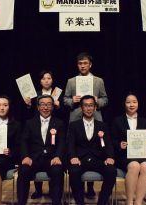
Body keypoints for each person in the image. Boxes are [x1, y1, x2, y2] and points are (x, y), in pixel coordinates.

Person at [64, 52, 108, 196]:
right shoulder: (71, 81)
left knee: (94, 149)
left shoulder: (98, 81)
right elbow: (65, 99)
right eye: (80, 63)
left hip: (95, 117)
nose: (82, 66)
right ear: (77, 65)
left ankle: (90, 187)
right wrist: (73, 100)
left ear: (90, 64)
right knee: (79, 148)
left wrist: (97, 101)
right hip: (76, 118)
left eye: (85, 63)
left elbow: (105, 99)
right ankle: (78, 186)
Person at [67, 95, 116, 205]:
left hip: (98, 159)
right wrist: (73, 157)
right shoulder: (73, 125)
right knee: (74, 171)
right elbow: (70, 144)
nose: (88, 108)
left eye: (91, 105)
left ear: (95, 107)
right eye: (85, 105)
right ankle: (80, 202)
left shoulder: (102, 125)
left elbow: (108, 144)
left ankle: (102, 202)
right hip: (80, 159)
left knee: (111, 170)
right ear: (81, 107)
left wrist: (110, 157)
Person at [23, 70, 65, 199]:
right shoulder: (34, 94)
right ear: (40, 81)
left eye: (49, 78)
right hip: (38, 128)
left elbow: (65, 112)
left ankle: (54, 191)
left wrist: (58, 106)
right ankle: (38, 190)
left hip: (54, 127)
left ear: (52, 80)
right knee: (37, 150)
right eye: (43, 78)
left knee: (53, 163)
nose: (46, 80)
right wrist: (29, 105)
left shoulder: (58, 93)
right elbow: (29, 115)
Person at [17, 95, 65, 205]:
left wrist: (58, 156)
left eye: (49, 104)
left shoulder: (59, 123)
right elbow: (23, 141)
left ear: (53, 107)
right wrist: (25, 156)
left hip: (52, 159)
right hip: (33, 159)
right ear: (38, 107)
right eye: (43, 104)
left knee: (58, 171)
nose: (46, 107)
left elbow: (62, 143)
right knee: (23, 171)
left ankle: (57, 202)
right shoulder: (29, 123)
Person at [111, 92, 146, 205]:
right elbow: (112, 140)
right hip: (124, 156)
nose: (131, 104)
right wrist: (119, 145)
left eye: (134, 102)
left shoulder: (145, 121)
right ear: (124, 104)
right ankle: (129, 201)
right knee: (134, 165)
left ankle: (138, 202)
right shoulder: (117, 121)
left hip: (142, 154)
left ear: (138, 104)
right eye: (128, 102)